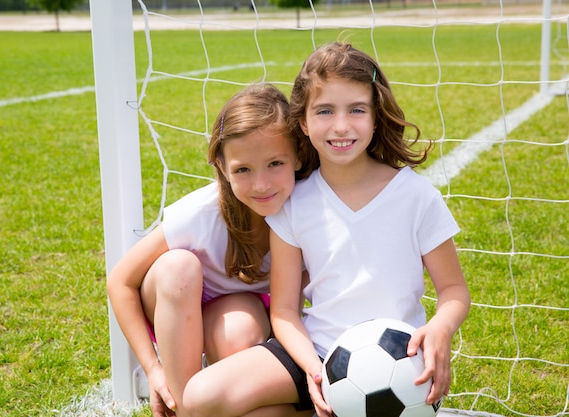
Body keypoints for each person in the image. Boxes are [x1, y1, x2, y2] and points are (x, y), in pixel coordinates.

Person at [182, 42, 470, 417]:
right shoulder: (295, 203)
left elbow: (454, 291)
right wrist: (316, 372)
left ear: (375, 116)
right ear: (302, 121)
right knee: (200, 396)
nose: (341, 125)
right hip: (316, 351)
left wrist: (440, 329)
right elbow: (284, 311)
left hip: (401, 362)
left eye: (356, 110)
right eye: (324, 111)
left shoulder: (416, 196)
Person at [106, 83, 318, 417]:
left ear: (298, 157)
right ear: (221, 165)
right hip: (174, 297)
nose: (261, 184)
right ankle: (182, 404)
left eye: (275, 163)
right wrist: (152, 368)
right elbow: (120, 281)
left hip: (242, 309)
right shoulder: (201, 216)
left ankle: (213, 399)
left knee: (239, 336)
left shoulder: (309, 210)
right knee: (178, 267)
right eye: (243, 170)